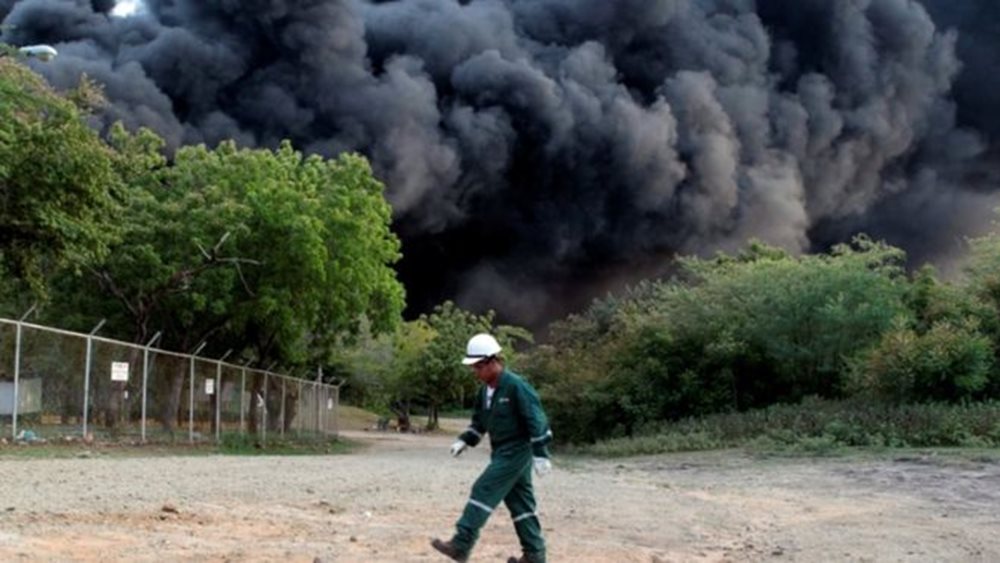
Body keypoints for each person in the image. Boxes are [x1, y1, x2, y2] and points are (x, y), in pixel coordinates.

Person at [431, 333, 553, 563]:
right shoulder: (484, 392)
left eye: (477, 367)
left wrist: (540, 454)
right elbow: (479, 423)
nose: (475, 372)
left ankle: (461, 544)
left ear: (491, 361)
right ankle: (535, 555)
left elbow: (536, 419)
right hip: (501, 451)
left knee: (483, 489)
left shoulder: (516, 386)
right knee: (520, 503)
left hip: (517, 450)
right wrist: (464, 440)